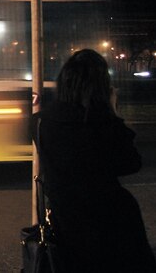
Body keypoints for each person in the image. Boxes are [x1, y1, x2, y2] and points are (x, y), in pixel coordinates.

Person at [37, 48, 156, 272]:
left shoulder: (42, 122)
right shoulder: (101, 122)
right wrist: (113, 111)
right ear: (100, 86)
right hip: (111, 224)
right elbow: (131, 162)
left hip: (66, 225)